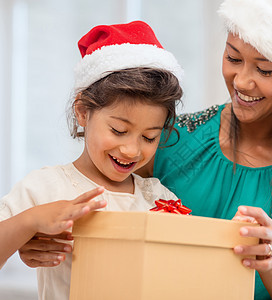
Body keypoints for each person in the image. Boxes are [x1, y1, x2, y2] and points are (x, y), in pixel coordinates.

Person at [19, 1, 272, 299]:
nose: (243, 81)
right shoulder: (169, 140)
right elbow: (96, 208)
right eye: (233, 57)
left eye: (264, 69)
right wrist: (34, 238)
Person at [0, 20, 183, 299]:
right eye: (119, 131)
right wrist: (31, 221)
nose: (132, 150)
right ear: (83, 111)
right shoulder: (46, 187)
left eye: (149, 137)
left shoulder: (158, 197)